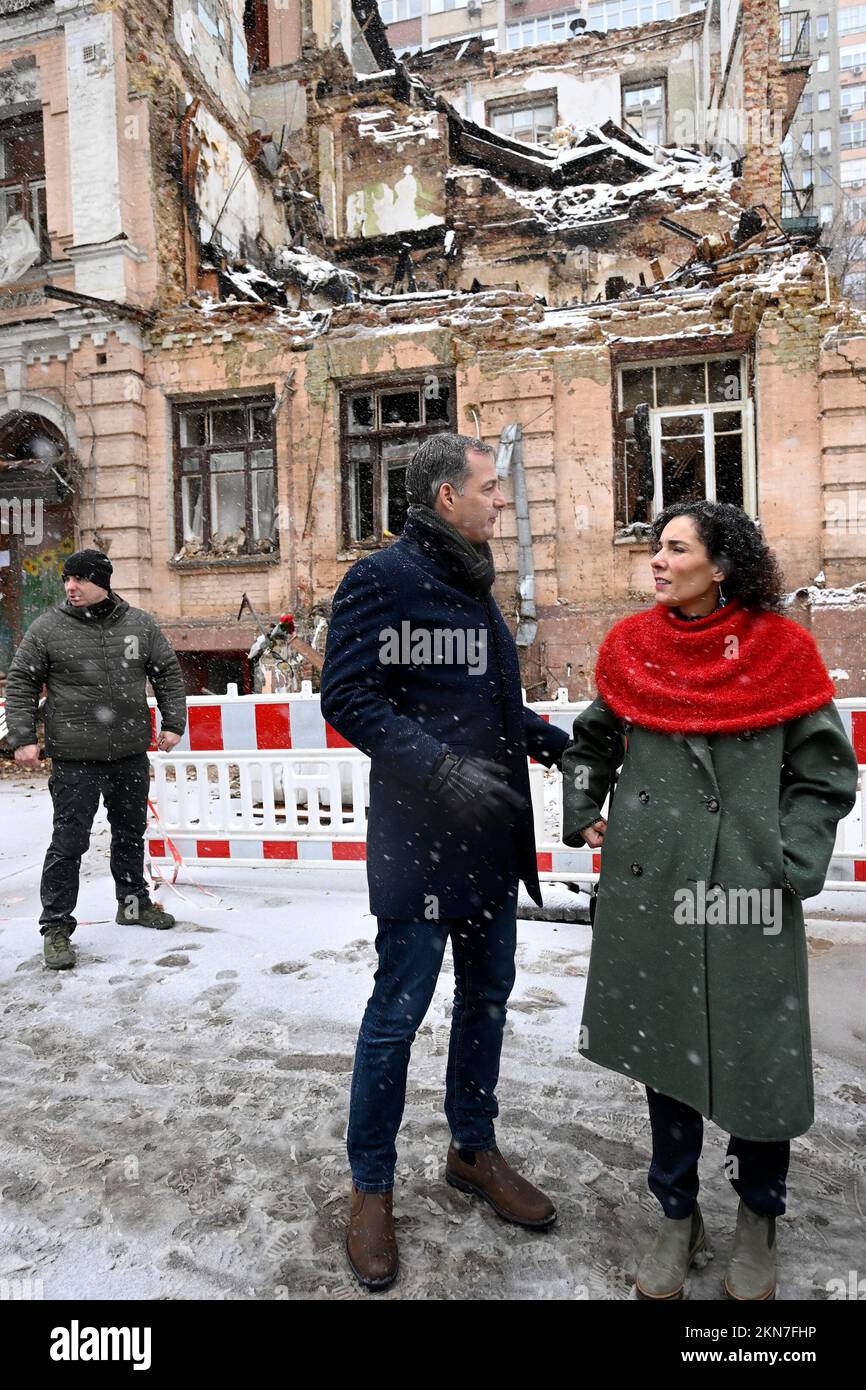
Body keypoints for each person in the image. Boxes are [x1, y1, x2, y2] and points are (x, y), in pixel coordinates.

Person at [561, 501, 859, 1302]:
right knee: (668, 1053)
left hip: (745, 894)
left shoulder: (780, 651)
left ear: (721, 565)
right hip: (655, 886)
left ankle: (758, 1217)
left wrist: (786, 861)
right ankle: (677, 1212)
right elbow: (591, 741)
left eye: (675, 548)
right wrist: (586, 807)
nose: (657, 560)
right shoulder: (633, 647)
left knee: (757, 1056)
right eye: (657, 547)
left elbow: (826, 773)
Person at [320, 433, 569, 1290]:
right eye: (490, 488)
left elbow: (486, 704)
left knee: (488, 1000)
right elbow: (346, 696)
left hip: (487, 842)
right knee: (397, 1015)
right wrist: (438, 766)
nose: (501, 501)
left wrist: (548, 741)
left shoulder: (471, 577)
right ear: (444, 498)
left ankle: (472, 1150)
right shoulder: (382, 579)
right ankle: (371, 1189)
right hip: (420, 842)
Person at [5, 549, 188, 970]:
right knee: (69, 843)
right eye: (66, 580)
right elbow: (21, 683)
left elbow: (167, 672)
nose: (70, 587)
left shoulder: (139, 624)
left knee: (129, 835)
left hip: (128, 753)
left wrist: (173, 722)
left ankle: (133, 904)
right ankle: (55, 926)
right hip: (75, 758)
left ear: (102, 582)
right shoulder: (48, 628)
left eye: (79, 580)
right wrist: (22, 736)